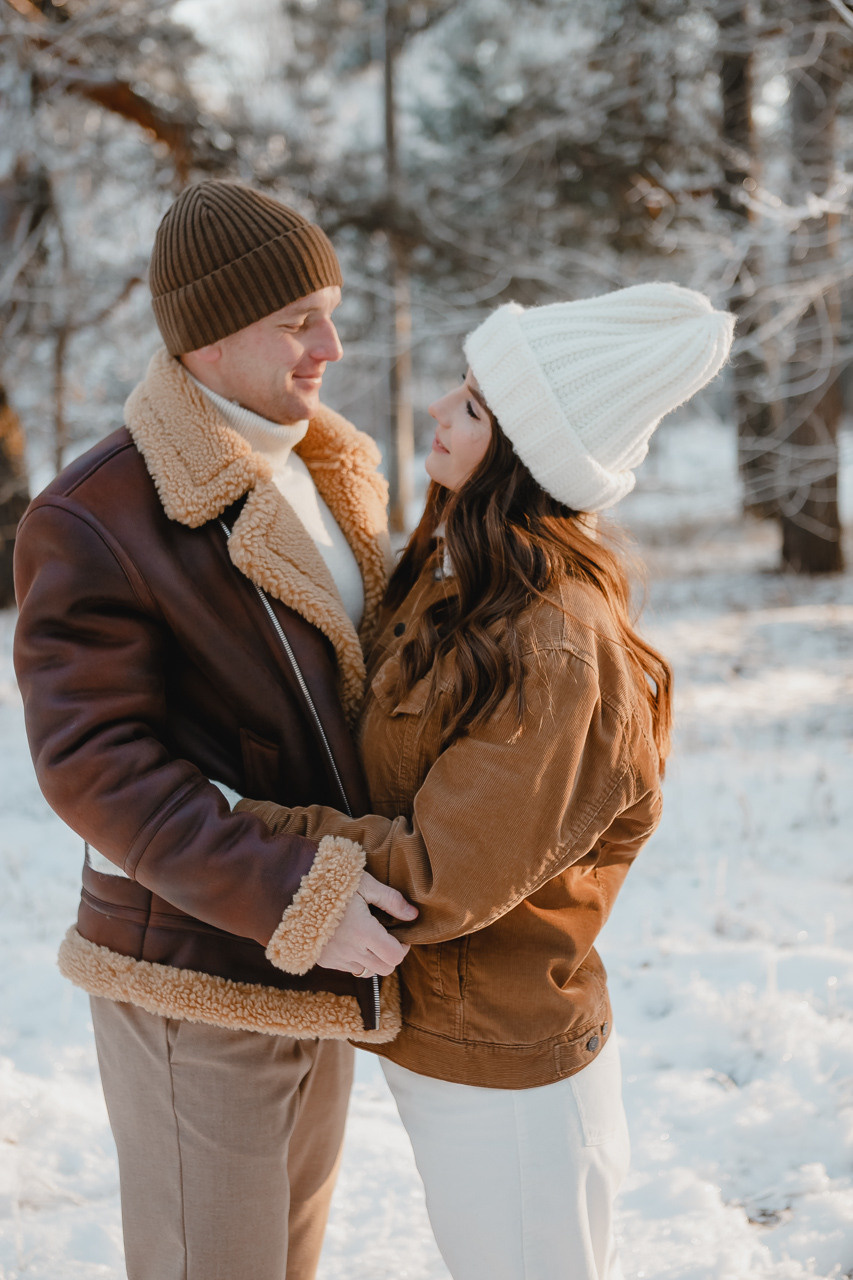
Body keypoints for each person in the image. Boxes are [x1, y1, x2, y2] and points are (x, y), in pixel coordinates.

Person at [240, 283, 736, 1280]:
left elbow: (437, 872)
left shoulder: (554, 647)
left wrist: (242, 825)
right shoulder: (456, 581)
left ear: (521, 455)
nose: (437, 409)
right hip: (446, 1049)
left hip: (511, 1084)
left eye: (469, 404)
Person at [12, 179, 418, 1280]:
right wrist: (299, 895)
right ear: (204, 339)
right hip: (194, 975)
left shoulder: (332, 473)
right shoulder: (93, 516)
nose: (329, 345)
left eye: (328, 311)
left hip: (318, 966)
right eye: (296, 320)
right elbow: (96, 767)